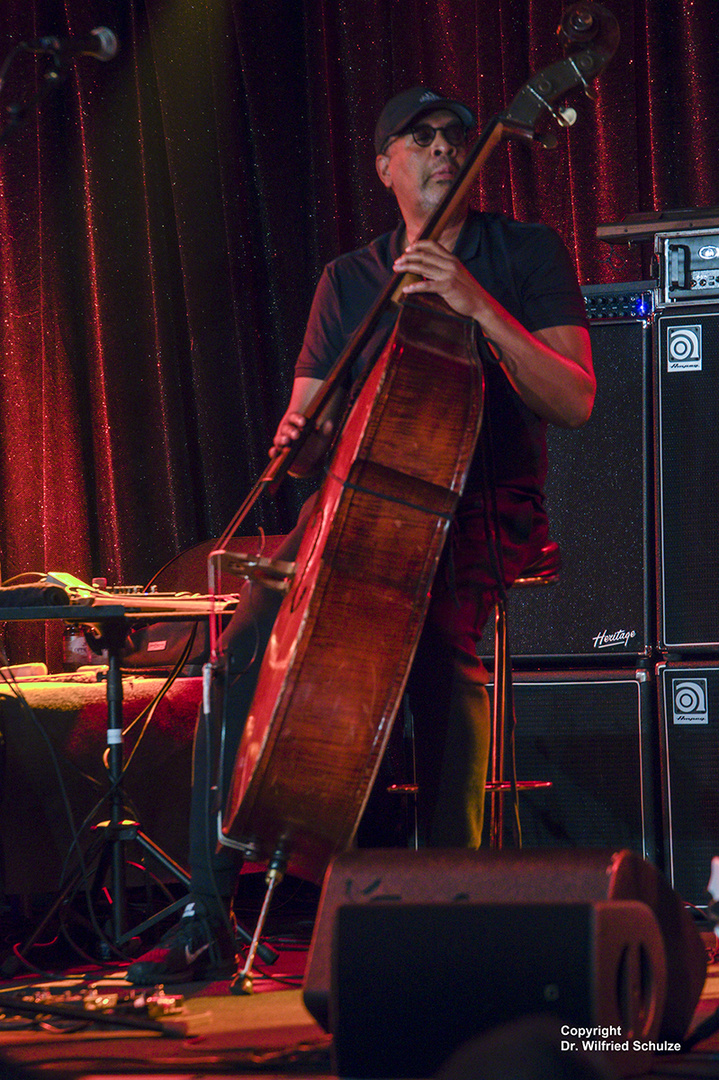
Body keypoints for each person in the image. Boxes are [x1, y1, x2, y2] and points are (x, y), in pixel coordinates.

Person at [126, 86, 594, 986]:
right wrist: (295, 441)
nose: (441, 150)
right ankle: (210, 911)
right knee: (244, 641)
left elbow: (572, 396)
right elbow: (309, 427)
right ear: (384, 166)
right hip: (348, 515)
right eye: (416, 139)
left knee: (438, 657)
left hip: (478, 511)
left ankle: (451, 914)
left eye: (453, 136)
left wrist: (476, 305)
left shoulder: (522, 252)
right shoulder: (350, 278)